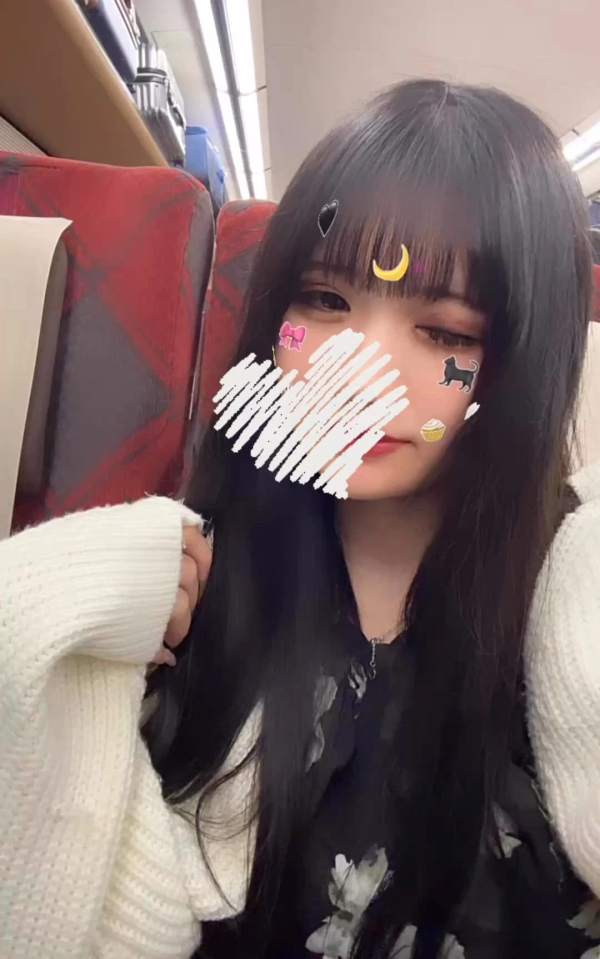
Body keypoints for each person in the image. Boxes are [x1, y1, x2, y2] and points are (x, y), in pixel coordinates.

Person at [1, 79, 600, 959]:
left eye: (444, 334)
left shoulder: (574, 608)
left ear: (522, 366)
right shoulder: (180, 592)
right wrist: (53, 603)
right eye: (324, 302)